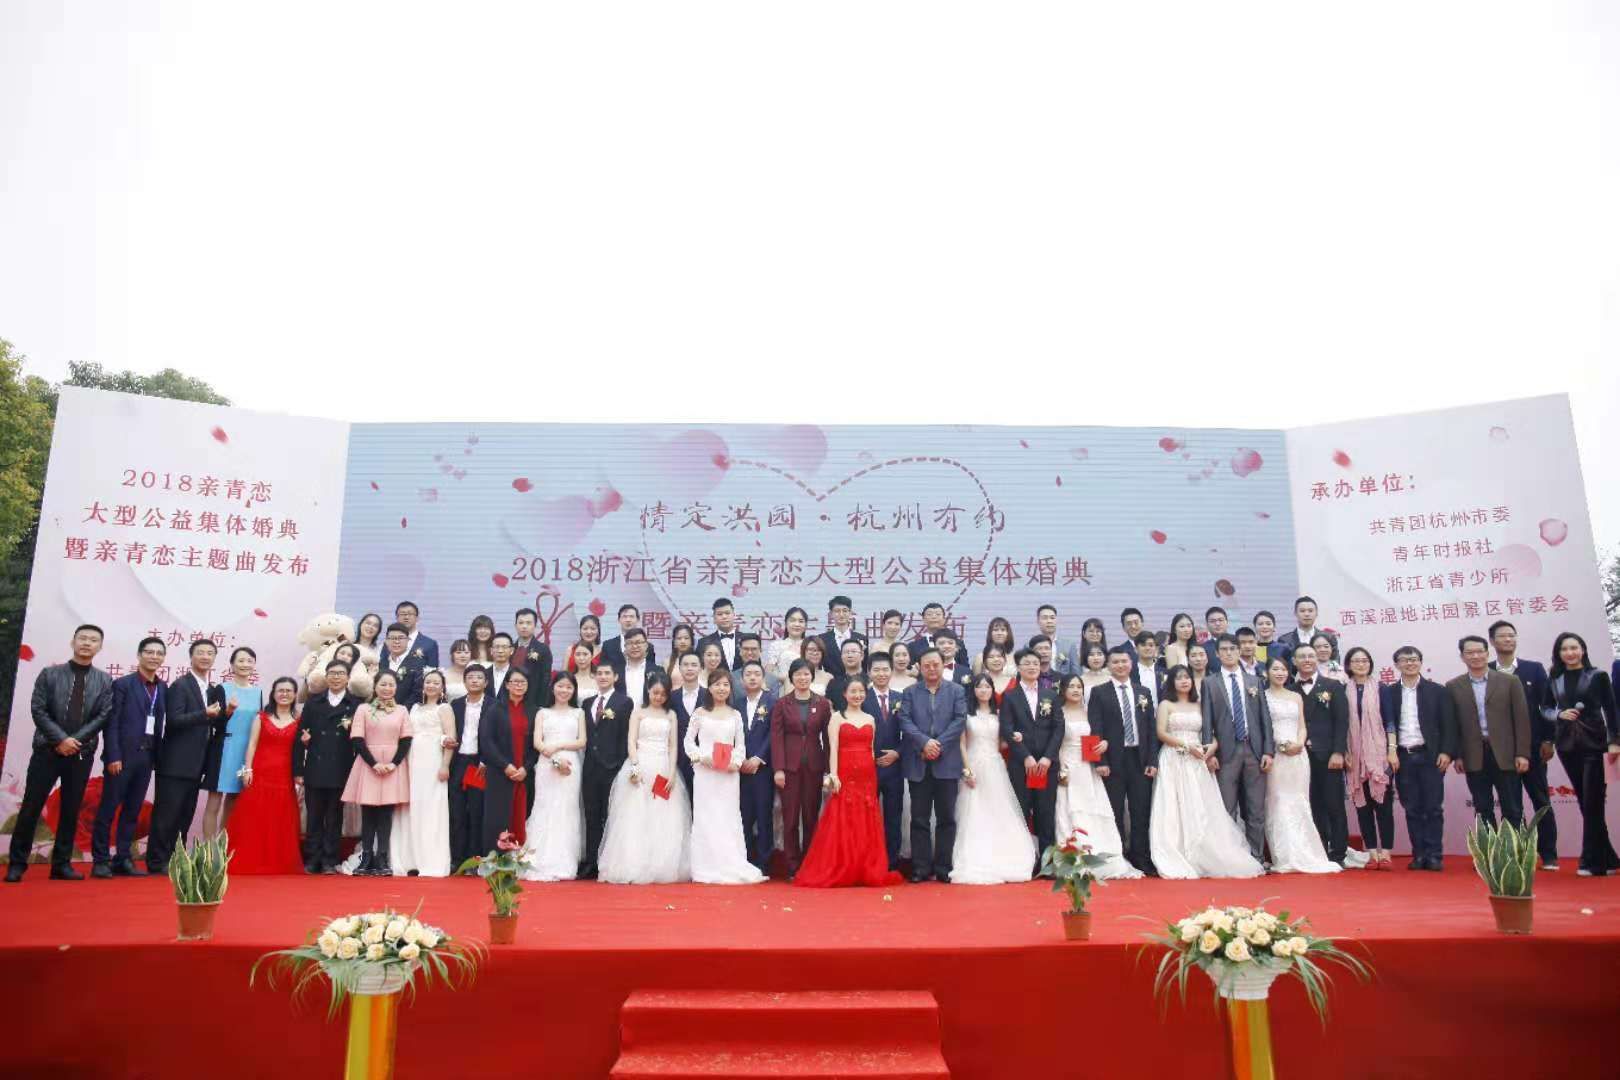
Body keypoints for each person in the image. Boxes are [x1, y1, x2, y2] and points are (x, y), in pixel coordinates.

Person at [7, 625, 113, 882]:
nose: (87, 643)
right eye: (82, 638)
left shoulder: (104, 680)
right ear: (72, 642)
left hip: (80, 753)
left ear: (99, 647)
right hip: (48, 750)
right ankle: (17, 863)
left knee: (70, 808)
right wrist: (61, 739)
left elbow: (103, 714)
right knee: (31, 806)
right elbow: (38, 709)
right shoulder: (50, 674)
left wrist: (75, 741)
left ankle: (61, 864)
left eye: (93, 640)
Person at [1149, 666, 1264, 879]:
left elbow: (1212, 731)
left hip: (1198, 760)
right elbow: (1161, 732)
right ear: (1171, 682)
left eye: (1187, 677)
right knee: (1174, 803)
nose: (1184, 681)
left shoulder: (1200, 704)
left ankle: (1203, 852)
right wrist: (1186, 746)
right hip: (1174, 758)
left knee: (1199, 805)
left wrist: (1212, 748)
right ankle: (1178, 851)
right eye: (1179, 678)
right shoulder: (1166, 704)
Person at [796, 676, 903, 888]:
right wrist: (833, 775)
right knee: (843, 819)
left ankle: (864, 866)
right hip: (845, 774)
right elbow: (833, 748)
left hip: (867, 775)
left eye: (861, 691)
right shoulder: (837, 717)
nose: (857, 695)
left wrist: (872, 773)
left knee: (865, 819)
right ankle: (843, 866)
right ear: (845, 694)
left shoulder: (870, 719)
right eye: (853, 691)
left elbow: (871, 749)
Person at [940, 673, 1033, 884]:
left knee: (998, 809)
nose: (983, 690)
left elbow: (1001, 744)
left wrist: (1015, 738)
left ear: (993, 690)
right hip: (973, 764)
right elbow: (962, 744)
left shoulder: (999, 714)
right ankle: (973, 857)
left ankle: (1003, 856)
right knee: (973, 810)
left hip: (995, 765)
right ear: (973, 690)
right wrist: (967, 770)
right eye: (979, 687)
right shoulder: (966, 715)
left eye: (987, 687)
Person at [600, 672, 692, 883]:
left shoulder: (671, 715)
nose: (659, 697)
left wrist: (671, 772)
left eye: (663, 694)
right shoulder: (638, 713)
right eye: (655, 692)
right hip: (640, 767)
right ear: (648, 690)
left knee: (662, 817)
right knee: (634, 816)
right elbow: (631, 741)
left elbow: (673, 746)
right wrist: (635, 766)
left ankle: (659, 866)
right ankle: (633, 864)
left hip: (663, 767)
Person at [1543, 632, 1620, 876]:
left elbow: (1611, 710)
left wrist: (1615, 741)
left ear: (1583, 650)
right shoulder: (1554, 677)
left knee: (1593, 801)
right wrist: (1558, 714)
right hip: (1567, 745)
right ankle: (1609, 859)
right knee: (1586, 803)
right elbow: (1545, 708)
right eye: (1565, 649)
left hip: (1595, 743)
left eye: (1574, 647)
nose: (1570, 653)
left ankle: (1590, 861)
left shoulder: (1598, 676)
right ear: (1559, 653)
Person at [147, 639, 226, 875]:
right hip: (175, 763)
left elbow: (212, 725)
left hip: (196, 764)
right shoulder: (181, 685)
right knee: (167, 815)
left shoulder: (211, 689)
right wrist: (204, 714)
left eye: (210, 653)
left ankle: (175, 859)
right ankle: (157, 861)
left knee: (184, 816)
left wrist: (225, 714)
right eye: (200, 652)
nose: (205, 657)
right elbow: (173, 721)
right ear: (191, 657)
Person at [1051, 673, 1140, 880]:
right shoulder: (1058, 712)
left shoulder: (1090, 711)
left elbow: (1102, 734)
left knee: (1095, 807)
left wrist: (1105, 743)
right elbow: (1055, 741)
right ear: (1063, 690)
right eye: (1071, 686)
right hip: (1068, 765)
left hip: (1089, 766)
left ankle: (1099, 856)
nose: (1076, 690)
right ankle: (1071, 859)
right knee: (1069, 810)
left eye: (1079, 687)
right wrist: (1061, 767)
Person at [91, 636, 166, 878]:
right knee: (108, 809)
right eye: (149, 652)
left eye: (159, 653)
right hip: (122, 758)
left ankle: (122, 859)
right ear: (139, 655)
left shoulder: (163, 687)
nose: (154, 657)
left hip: (147, 758)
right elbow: (112, 723)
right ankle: (100, 860)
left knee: (133, 810)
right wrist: (113, 755)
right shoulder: (123, 684)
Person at [1260, 658, 1341, 875]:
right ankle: (1283, 854)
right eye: (1275, 669)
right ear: (1267, 673)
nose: (1280, 673)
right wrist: (1281, 746)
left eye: (1283, 669)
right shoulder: (1262, 696)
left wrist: (1298, 743)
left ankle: (1306, 851)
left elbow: (1302, 726)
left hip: (1298, 755)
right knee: (1277, 801)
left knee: (1299, 801)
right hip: (1276, 755)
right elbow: (1262, 727)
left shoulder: (1295, 696)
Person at [685, 668, 766, 883]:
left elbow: (740, 745)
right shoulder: (700, 713)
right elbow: (688, 741)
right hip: (705, 772)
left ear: (730, 688)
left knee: (727, 816)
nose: (721, 688)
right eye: (717, 684)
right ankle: (706, 865)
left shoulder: (735, 714)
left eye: (725, 685)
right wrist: (701, 757)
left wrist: (736, 763)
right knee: (706, 816)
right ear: (709, 688)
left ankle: (730, 862)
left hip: (728, 774)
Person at [1488, 620, 1558, 870]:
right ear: (1492, 641)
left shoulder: (1533, 669)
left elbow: (1547, 706)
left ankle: (1548, 854)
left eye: (1511, 635)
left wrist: (1549, 739)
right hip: (1501, 751)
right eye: (1502, 636)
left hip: (1533, 747)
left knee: (1541, 800)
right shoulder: (1486, 671)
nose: (1508, 639)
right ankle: (1518, 853)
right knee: (1511, 805)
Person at [1380, 645, 1456, 871]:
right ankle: (1419, 854)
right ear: (1396, 665)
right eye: (1404, 660)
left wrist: (1446, 752)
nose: (1410, 663)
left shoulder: (1437, 691)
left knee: (1433, 808)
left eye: (1414, 659)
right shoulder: (1389, 692)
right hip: (1403, 757)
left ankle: (1434, 855)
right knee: (1411, 808)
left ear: (1420, 662)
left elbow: (1449, 725)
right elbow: (1386, 725)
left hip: (1430, 756)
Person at [1200, 634, 1273, 865]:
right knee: (1226, 808)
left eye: (1233, 648)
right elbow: (1207, 720)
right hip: (1225, 753)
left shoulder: (1254, 681)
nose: (1229, 652)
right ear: (1217, 654)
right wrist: (1209, 754)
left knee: (1255, 809)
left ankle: (1256, 857)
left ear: (1240, 651)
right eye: (1224, 649)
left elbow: (1265, 719)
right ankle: (1230, 858)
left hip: (1254, 750)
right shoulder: (1210, 683)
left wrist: (1268, 751)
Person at [1445, 635, 1531, 828]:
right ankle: (1488, 848)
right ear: (1462, 657)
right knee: (1482, 808)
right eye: (1470, 652)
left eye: (1479, 651)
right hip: (1473, 755)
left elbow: (1521, 720)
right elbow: (1453, 725)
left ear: (1487, 653)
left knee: (1513, 808)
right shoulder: (1453, 686)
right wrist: (1458, 755)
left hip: (1506, 754)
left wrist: (1522, 753)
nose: (1475, 656)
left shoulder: (1510, 681)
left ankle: (1514, 847)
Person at [1087, 646, 1157, 876]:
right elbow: (1094, 728)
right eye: (1115, 662)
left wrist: (1152, 760)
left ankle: (1141, 858)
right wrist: (1099, 761)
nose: (1120, 665)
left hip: (1139, 758)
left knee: (1140, 811)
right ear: (1108, 665)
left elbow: (1150, 728)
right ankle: (1117, 857)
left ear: (1131, 663)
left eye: (1124, 661)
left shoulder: (1143, 691)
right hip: (1112, 760)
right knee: (1114, 810)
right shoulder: (1099, 692)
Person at [900, 648, 968, 883]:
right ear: (919, 667)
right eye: (926, 665)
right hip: (918, 762)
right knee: (919, 818)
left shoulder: (956, 690)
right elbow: (905, 721)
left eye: (935, 664)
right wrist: (924, 743)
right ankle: (921, 867)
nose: (931, 669)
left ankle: (943, 867)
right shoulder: (910, 692)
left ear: (943, 665)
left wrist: (938, 744)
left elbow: (959, 720)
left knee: (946, 818)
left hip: (947, 762)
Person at [227, 677, 304, 875]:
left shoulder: (300, 720)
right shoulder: (261, 717)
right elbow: (252, 744)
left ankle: (277, 861)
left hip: (284, 774)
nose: (284, 694)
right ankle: (252, 858)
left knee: (280, 817)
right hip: (260, 771)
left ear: (295, 694)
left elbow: (301, 749)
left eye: (288, 691)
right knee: (255, 816)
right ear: (273, 694)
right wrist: (248, 770)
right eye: (280, 690)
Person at [294, 659, 360, 874]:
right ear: (326, 676)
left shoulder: (356, 704)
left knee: (334, 816)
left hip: (342, 767)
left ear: (348, 678)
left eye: (340, 673)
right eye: (332, 673)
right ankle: (312, 858)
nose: (336, 677)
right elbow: (300, 736)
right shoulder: (314, 702)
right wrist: (298, 770)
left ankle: (330, 860)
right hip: (315, 766)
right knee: (314, 816)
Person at [342, 670, 411, 876]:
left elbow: (406, 739)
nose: (387, 688)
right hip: (368, 763)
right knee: (368, 812)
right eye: (383, 684)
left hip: (392, 765)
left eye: (391, 685)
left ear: (396, 688)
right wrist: (374, 763)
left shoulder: (402, 710)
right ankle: (366, 857)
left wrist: (393, 764)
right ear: (375, 686)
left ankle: (382, 857)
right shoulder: (363, 709)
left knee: (386, 813)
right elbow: (357, 738)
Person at [999, 648, 1061, 871]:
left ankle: (1048, 864)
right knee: (1022, 812)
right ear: (1018, 667)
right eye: (1027, 663)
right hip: (1021, 765)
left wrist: (1047, 758)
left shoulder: (1051, 695)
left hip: (1045, 766)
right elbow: (1006, 729)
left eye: (1035, 663)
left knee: (1046, 813)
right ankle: (1023, 862)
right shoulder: (1010, 696)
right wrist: (1025, 756)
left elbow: (1058, 729)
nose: (1032, 667)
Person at [522, 670, 586, 881]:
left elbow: (581, 741)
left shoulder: (578, 713)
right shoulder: (542, 713)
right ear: (552, 688)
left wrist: (558, 747)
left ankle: (563, 861)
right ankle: (537, 858)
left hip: (570, 764)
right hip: (546, 764)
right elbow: (537, 742)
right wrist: (551, 756)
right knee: (544, 806)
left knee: (566, 809)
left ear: (574, 690)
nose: (564, 690)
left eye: (569, 687)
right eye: (560, 686)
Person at [771, 660, 832, 879]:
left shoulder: (822, 703)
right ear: (791, 677)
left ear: (812, 676)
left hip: (814, 767)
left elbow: (828, 739)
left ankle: (810, 862)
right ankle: (792, 865)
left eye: (806, 674)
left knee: (810, 817)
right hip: (789, 768)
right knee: (789, 818)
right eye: (798, 674)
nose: (802, 678)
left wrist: (829, 770)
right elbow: (776, 737)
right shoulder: (782, 704)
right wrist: (778, 768)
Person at [1291, 644, 1350, 864]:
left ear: (1317, 659)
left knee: (1334, 804)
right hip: (1299, 758)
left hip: (1328, 756)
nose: (1307, 660)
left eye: (1311, 656)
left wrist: (1338, 752)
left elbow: (1342, 722)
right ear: (1294, 661)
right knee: (1311, 805)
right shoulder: (1290, 689)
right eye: (1302, 656)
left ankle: (1338, 852)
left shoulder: (1333, 686)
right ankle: (1319, 850)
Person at [393, 670, 455, 877]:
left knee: (431, 807)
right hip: (412, 760)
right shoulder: (414, 708)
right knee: (411, 805)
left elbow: (450, 739)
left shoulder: (444, 708)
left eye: (436, 683)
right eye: (428, 682)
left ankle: (430, 860)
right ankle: (409, 859)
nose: (431, 686)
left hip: (433, 761)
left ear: (442, 687)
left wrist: (445, 765)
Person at [578, 660, 632, 879]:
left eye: (607, 673)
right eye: (599, 673)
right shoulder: (587, 703)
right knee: (591, 815)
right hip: (590, 767)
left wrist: (620, 764)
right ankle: (591, 861)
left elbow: (625, 735)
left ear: (615, 677)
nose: (602, 677)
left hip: (612, 767)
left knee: (610, 815)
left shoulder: (624, 702)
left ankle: (608, 861)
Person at [1342, 647, 1394, 870]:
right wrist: (1344, 751)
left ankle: (1386, 853)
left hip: (1379, 755)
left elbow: (1390, 721)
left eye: (1364, 660)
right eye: (1356, 661)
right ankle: (1372, 853)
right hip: (1354, 756)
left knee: (1384, 806)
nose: (1361, 664)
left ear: (1370, 664)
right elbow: (1341, 724)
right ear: (1348, 665)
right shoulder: (1343, 690)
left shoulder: (1382, 688)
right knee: (1362, 807)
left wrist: (1392, 750)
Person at [201, 646, 260, 839]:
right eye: (241, 660)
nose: (245, 664)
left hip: (246, 754)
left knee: (233, 801)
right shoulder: (222, 689)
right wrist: (229, 711)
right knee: (214, 801)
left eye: (249, 661)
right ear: (232, 665)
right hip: (224, 750)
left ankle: (223, 845)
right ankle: (208, 850)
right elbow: (214, 723)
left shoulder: (259, 692)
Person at [479, 668, 539, 855]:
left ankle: (517, 858)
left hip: (524, 774)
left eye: (523, 682)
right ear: (507, 685)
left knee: (521, 814)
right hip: (499, 772)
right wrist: (505, 765)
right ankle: (494, 859)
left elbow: (536, 745)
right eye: (515, 682)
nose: (519, 685)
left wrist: (526, 768)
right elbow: (486, 741)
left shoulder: (534, 711)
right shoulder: (494, 709)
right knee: (496, 817)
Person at [861, 653, 906, 871]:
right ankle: (868, 861)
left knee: (893, 817)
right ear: (869, 672)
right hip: (868, 767)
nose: (881, 674)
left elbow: (911, 731)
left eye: (885, 669)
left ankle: (891, 863)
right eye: (876, 670)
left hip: (895, 767)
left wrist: (897, 753)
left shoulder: (902, 697)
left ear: (891, 671)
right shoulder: (861, 697)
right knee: (866, 817)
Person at [733, 661, 776, 873]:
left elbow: (773, 733)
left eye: (757, 674)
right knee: (744, 815)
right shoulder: (736, 704)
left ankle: (764, 862)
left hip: (763, 769)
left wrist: (759, 758)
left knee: (763, 814)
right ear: (741, 680)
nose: (752, 677)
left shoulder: (773, 702)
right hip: (740, 769)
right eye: (748, 674)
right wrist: (739, 759)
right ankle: (745, 858)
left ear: (763, 678)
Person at [448, 664, 489, 870]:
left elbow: (497, 736)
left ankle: (474, 859)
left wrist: (485, 759)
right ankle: (457, 859)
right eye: (470, 677)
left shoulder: (493, 705)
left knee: (476, 811)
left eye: (479, 677)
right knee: (456, 812)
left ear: (486, 682)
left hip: (479, 764)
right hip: (458, 763)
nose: (474, 680)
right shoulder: (455, 705)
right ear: (464, 682)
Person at [670, 650, 705, 800]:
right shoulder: (671, 697)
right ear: (679, 668)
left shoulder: (710, 696)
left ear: (701, 668)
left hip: (704, 760)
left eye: (694, 665)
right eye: (685, 665)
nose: (689, 668)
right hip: (677, 759)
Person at [1276, 595, 1337, 665]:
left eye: (1310, 611)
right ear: (1295, 613)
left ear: (1316, 613)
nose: (1307, 614)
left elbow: (1335, 662)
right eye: (1302, 611)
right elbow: (1282, 665)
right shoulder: (1284, 640)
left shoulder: (1329, 637)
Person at [511, 608, 555, 702]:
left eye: (528, 623)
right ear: (515, 625)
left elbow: (545, 680)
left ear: (535, 626)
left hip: (532, 701)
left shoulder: (543, 649)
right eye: (521, 623)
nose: (524, 626)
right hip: (509, 699)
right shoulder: (510, 648)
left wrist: (540, 704)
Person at [378, 623, 425, 708]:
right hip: (380, 711)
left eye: (400, 638)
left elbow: (417, 693)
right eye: (392, 638)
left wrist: (400, 711)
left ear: (408, 640)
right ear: (386, 641)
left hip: (406, 711)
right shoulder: (380, 663)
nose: (396, 641)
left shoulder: (417, 664)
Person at [614, 627, 663, 705]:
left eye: (638, 642)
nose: (634, 646)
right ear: (625, 647)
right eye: (630, 643)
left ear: (646, 645)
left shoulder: (658, 671)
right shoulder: (615, 671)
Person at [816, 594, 868, 666]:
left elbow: (865, 665)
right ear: (831, 614)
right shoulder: (821, 639)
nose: (841, 614)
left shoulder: (861, 638)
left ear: (850, 613)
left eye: (845, 611)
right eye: (837, 611)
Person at [601, 604, 656, 670]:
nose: (628, 620)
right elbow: (603, 670)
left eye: (631, 617)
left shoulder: (648, 647)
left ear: (638, 620)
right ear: (619, 620)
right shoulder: (608, 645)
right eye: (625, 617)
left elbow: (651, 670)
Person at [825, 639, 869, 714]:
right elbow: (830, 708)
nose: (850, 655)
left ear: (862, 655)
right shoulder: (833, 683)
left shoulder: (871, 681)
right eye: (846, 652)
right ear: (841, 656)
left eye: (853, 652)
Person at [698, 597, 744, 669]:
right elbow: (700, 668)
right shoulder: (703, 642)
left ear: (734, 616)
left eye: (727, 613)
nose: (724, 617)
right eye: (720, 614)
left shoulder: (746, 640)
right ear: (714, 618)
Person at [769, 607, 811, 684]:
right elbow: (769, 672)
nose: (797, 624)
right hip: (783, 687)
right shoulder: (777, 646)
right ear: (786, 624)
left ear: (806, 625)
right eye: (792, 620)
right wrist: (787, 680)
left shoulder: (811, 646)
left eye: (801, 621)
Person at [1035, 605, 1080, 676]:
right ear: (1038, 621)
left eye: (1052, 618)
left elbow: (1076, 672)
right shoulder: (1030, 645)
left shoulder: (1069, 645)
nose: (1049, 621)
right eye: (1045, 618)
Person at [395, 600, 438, 668]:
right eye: (402, 614)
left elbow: (433, 671)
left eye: (410, 614)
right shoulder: (389, 643)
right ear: (397, 618)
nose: (406, 617)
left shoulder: (430, 644)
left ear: (417, 618)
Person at [1133, 633, 1167, 709]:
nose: (1147, 648)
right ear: (1136, 649)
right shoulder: (1130, 672)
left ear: (1156, 649)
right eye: (1143, 645)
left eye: (1151, 645)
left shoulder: (1165, 672)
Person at [353, 613, 384, 678]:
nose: (370, 627)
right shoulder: (349, 647)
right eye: (368, 623)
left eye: (375, 626)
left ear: (378, 631)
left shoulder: (379, 651)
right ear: (360, 625)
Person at [487, 633, 516, 699]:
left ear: (512, 650)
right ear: (491, 650)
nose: (500, 651)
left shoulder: (518, 674)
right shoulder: (484, 674)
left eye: (504, 647)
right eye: (497, 647)